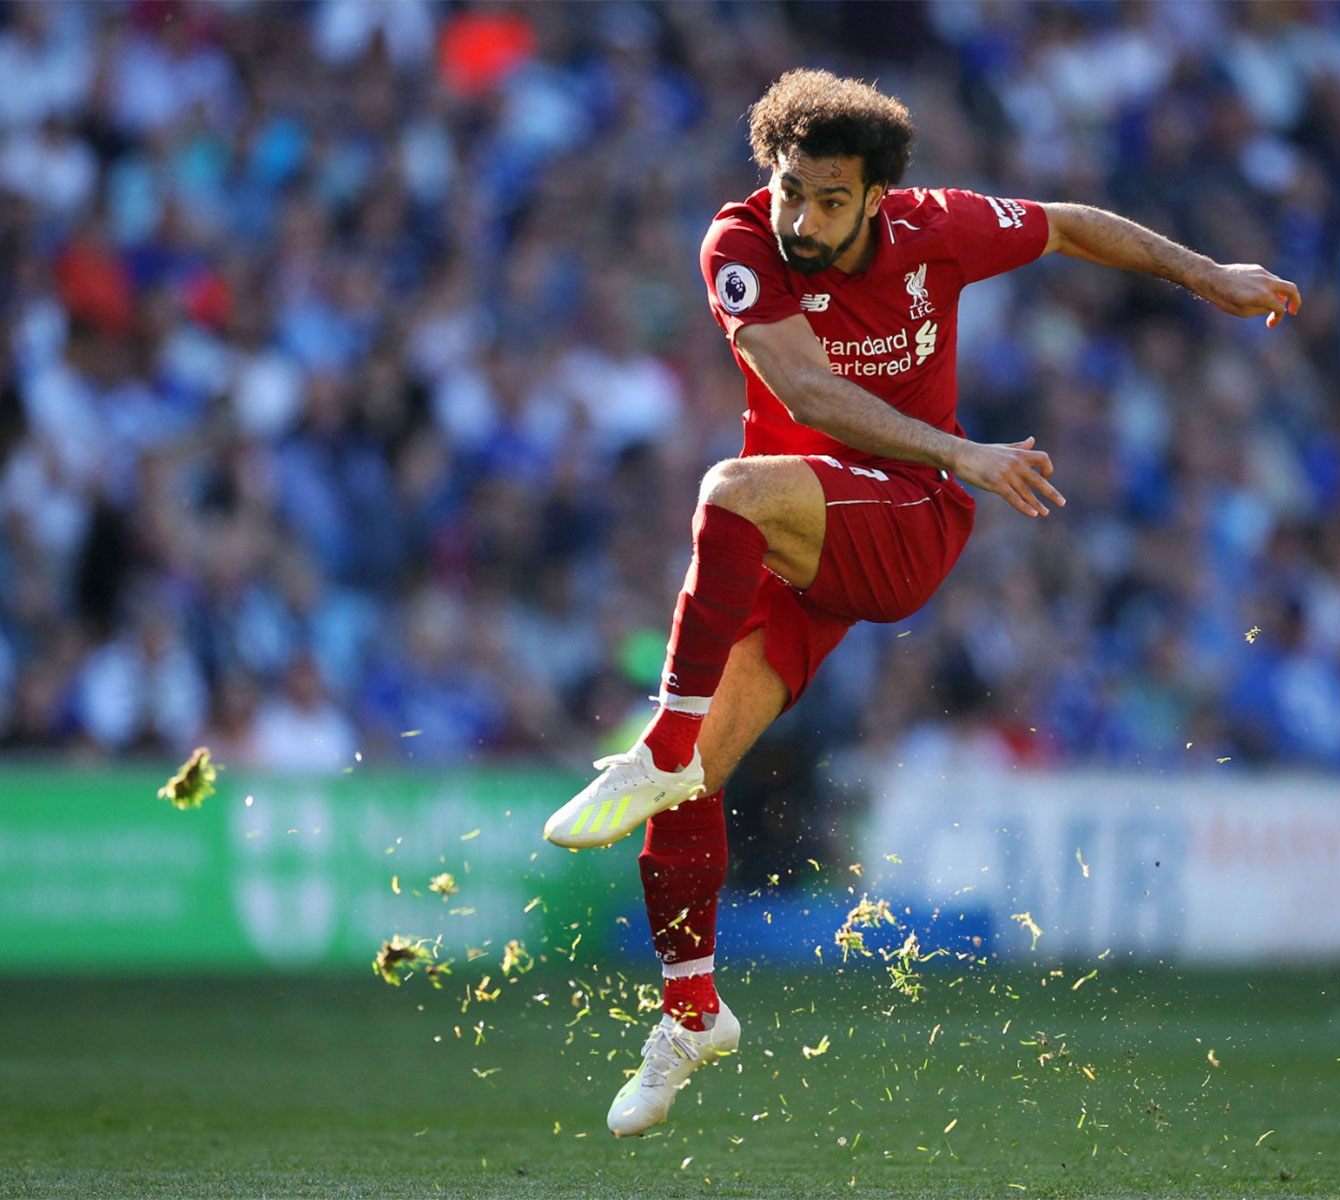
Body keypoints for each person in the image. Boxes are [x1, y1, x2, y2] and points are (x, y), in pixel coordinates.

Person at [543, 68, 1299, 1136]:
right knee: (692, 784)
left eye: (828, 199)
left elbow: (1072, 226)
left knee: (727, 492)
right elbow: (803, 392)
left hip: (907, 518)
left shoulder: (936, 230)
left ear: (879, 195)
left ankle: (656, 741)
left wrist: (1207, 274)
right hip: (805, 534)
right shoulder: (740, 247)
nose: (800, 217)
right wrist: (960, 440)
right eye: (788, 187)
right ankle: (690, 1012)